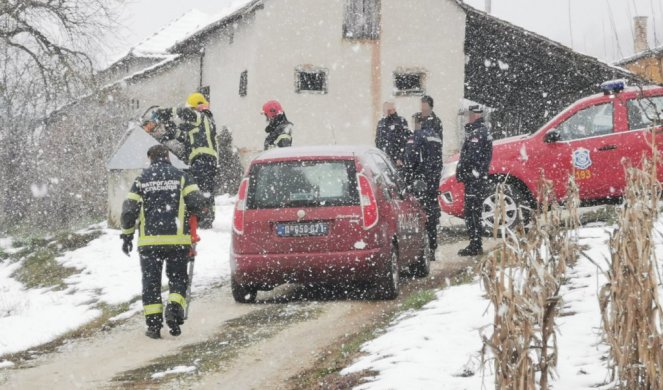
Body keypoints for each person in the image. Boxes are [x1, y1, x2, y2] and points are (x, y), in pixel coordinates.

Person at [120, 145, 207, 339]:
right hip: (178, 241)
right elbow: (197, 203)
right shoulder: (182, 177)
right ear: (168, 157)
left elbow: (128, 210)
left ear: (150, 158)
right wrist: (198, 216)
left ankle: (153, 326)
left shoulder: (141, 180)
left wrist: (126, 236)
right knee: (178, 278)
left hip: (149, 243)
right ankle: (174, 310)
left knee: (151, 283)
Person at [154, 92, 218, 228]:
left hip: (203, 159)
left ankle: (205, 218)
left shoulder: (201, 117)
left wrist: (166, 112)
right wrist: (171, 129)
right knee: (203, 188)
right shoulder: (200, 125)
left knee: (202, 188)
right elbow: (185, 137)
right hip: (206, 160)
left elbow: (184, 113)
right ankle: (205, 216)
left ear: (195, 107)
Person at [405, 95, 443, 253]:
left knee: (420, 212)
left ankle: (423, 248)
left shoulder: (418, 136)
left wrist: (408, 174)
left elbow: (411, 159)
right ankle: (432, 245)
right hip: (432, 176)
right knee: (432, 210)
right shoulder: (435, 136)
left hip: (421, 179)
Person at [456, 105, 493, 256]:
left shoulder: (478, 133)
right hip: (475, 178)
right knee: (473, 212)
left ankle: (475, 244)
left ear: (474, 115)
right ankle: (475, 243)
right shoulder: (479, 131)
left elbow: (472, 157)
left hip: (475, 180)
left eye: (469, 115)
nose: (467, 117)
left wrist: (466, 172)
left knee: (472, 213)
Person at [375, 101, 411, 169]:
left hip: (396, 161)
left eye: (390, 109)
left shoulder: (400, 121)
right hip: (384, 159)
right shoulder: (381, 123)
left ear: (394, 109)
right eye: (386, 109)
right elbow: (378, 141)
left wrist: (400, 158)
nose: (388, 111)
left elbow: (404, 140)